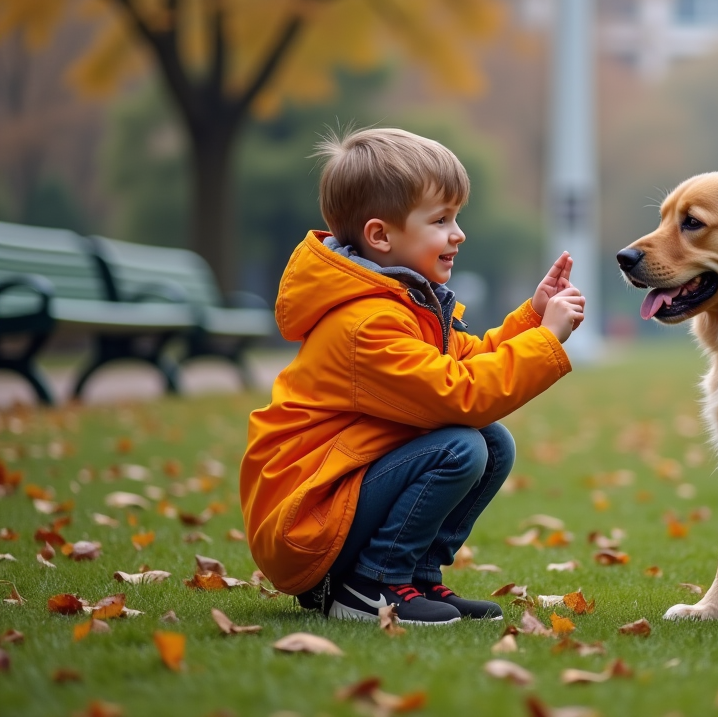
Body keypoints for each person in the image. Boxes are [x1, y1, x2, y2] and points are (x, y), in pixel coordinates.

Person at [240, 127, 585, 624]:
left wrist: (532, 317)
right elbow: (461, 395)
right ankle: (369, 586)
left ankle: (413, 579)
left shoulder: (401, 303)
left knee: (492, 442)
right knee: (462, 446)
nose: (458, 233)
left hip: (341, 494)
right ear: (381, 236)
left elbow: (467, 358)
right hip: (308, 520)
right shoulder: (367, 324)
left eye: (456, 217)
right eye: (441, 219)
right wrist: (547, 341)